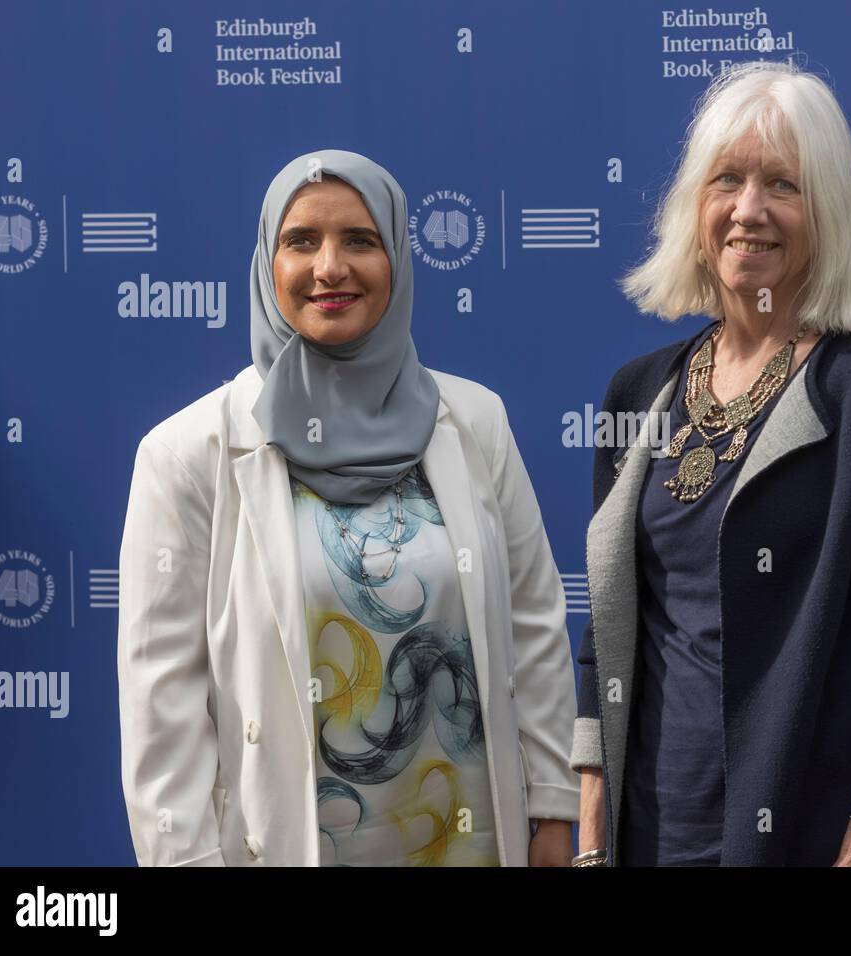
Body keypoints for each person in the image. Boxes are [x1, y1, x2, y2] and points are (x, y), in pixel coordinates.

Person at [568, 62, 851, 867]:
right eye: (727, 180)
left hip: (811, 837)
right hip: (649, 840)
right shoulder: (638, 393)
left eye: (782, 186)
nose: (747, 210)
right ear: (695, 206)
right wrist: (590, 840)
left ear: (824, 213)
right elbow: (606, 640)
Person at [118, 149, 578, 866]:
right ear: (267, 267)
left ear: (397, 257)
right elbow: (161, 706)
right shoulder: (186, 454)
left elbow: (534, 624)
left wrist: (552, 807)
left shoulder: (476, 422)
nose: (330, 267)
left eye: (360, 240)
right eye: (301, 241)